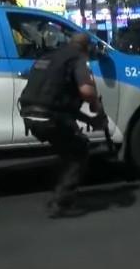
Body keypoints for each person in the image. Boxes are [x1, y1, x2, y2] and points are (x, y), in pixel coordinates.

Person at [19, 32, 108, 218]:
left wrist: (91, 121)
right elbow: (86, 91)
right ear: (86, 48)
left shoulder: (49, 57)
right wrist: (96, 105)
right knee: (80, 150)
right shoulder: (77, 58)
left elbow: (62, 106)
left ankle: (60, 190)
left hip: (29, 114)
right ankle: (61, 201)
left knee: (67, 148)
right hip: (50, 116)